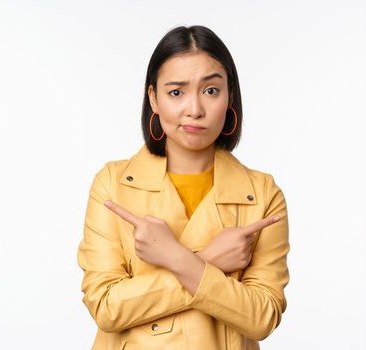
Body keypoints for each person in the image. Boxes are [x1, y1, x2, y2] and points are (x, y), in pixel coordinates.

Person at [77, 25, 290, 350]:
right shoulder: (112, 184)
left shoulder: (262, 193)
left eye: (210, 91)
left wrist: (176, 258)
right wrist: (209, 259)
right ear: (154, 99)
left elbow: (262, 317)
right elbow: (107, 308)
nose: (195, 109)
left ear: (229, 95)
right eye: (176, 92)